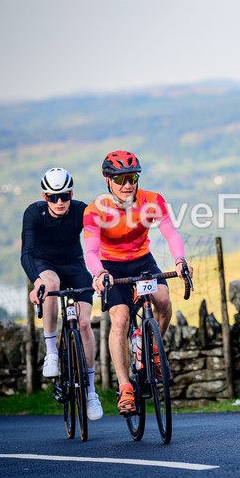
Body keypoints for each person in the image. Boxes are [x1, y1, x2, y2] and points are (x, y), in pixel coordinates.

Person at [83, 150, 193, 416]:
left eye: (132, 177)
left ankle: (152, 349)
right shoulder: (95, 210)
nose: (128, 184)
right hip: (111, 267)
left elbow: (170, 233)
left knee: (164, 301)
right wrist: (99, 274)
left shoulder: (152, 200)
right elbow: (90, 252)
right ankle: (125, 388)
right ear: (107, 180)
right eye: (120, 179)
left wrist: (180, 261)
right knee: (119, 318)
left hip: (143, 261)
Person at [20, 167, 103, 420]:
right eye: (53, 197)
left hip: (75, 265)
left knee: (85, 323)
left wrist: (101, 272)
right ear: (45, 196)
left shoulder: (81, 210)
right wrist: (36, 282)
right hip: (45, 265)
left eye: (64, 196)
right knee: (51, 285)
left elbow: (98, 242)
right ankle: (52, 353)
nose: (59, 202)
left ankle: (90, 392)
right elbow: (26, 254)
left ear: (71, 194)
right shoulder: (34, 213)